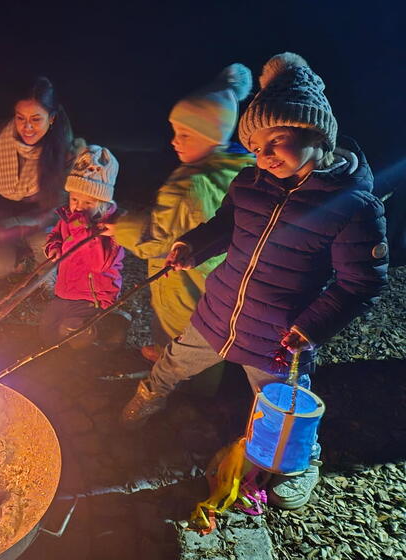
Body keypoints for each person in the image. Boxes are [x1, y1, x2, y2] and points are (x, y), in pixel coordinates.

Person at [120, 53, 389, 510]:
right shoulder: (250, 184)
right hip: (219, 310)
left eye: (277, 141)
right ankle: (148, 396)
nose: (263, 156)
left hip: (280, 336)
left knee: (285, 410)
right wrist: (193, 245)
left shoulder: (353, 207)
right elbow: (225, 226)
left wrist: (312, 326)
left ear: (315, 133)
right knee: (174, 361)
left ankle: (301, 460)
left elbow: (360, 282)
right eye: (255, 145)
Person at [103, 64, 256, 363]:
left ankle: (182, 385)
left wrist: (121, 226)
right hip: (221, 286)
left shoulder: (188, 184)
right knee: (210, 335)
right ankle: (193, 372)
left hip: (184, 285)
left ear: (211, 135)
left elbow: (156, 241)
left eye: (185, 134)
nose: (174, 141)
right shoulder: (237, 171)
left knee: (179, 329)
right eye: (175, 132)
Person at [0, 77, 79, 279]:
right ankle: (19, 255)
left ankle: (45, 273)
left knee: (47, 250)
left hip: (39, 223)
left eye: (36, 119)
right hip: (0, 217)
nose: (27, 127)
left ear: (51, 118)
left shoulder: (66, 153)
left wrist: (2, 232)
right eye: (20, 118)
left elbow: (54, 211)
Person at [39, 145, 127, 348]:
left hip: (92, 298)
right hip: (66, 291)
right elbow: (56, 234)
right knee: (46, 330)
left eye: (87, 203)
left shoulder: (110, 229)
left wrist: (81, 227)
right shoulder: (71, 218)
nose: (78, 207)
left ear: (103, 203)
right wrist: (53, 246)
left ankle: (106, 332)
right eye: (74, 199)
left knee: (74, 336)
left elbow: (98, 264)